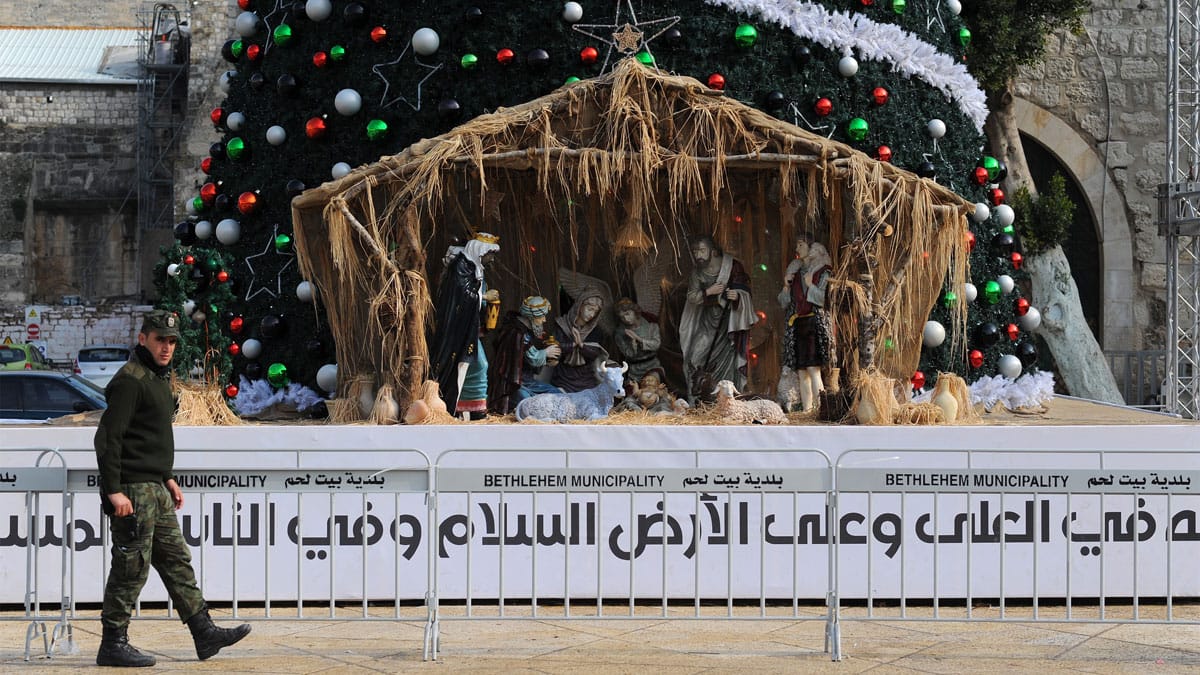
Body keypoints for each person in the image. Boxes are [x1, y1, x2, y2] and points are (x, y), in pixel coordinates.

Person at [93, 310, 250, 667]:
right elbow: (108, 439)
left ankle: (204, 632)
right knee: (131, 567)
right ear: (142, 339)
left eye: (172, 341)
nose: (166, 347)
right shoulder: (130, 380)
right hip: (133, 491)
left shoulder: (156, 379)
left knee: (177, 560)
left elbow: (149, 437)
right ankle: (113, 643)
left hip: (155, 488)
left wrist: (166, 476)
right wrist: (114, 490)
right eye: (159, 340)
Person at [430, 233, 501, 419]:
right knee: (465, 366)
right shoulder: (461, 266)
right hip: (457, 330)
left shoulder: (473, 267)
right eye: (490, 254)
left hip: (468, 328)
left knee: (476, 366)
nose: (492, 259)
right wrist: (483, 297)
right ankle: (453, 408)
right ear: (480, 251)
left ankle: (472, 409)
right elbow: (460, 295)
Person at [678, 234, 755, 404]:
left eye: (701, 250)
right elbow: (692, 296)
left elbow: (745, 290)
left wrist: (737, 296)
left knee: (730, 361)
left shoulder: (733, 267)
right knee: (695, 358)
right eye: (695, 251)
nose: (698, 255)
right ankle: (695, 401)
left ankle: (727, 401)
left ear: (713, 251)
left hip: (729, 325)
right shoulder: (697, 273)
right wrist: (708, 292)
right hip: (707, 323)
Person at [778, 235, 834, 412]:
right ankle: (807, 410)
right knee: (802, 371)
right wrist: (786, 286)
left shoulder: (822, 272)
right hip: (798, 324)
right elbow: (783, 302)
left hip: (814, 324)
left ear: (811, 248)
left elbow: (823, 299)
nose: (797, 249)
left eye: (801, 245)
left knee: (813, 369)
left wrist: (810, 285)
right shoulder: (795, 273)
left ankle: (820, 409)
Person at [488, 295, 563, 414]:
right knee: (528, 403)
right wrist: (546, 352)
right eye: (541, 316)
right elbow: (532, 358)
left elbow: (526, 358)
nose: (544, 320)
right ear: (531, 317)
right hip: (512, 384)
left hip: (527, 382)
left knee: (557, 395)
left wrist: (547, 361)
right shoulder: (517, 333)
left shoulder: (524, 331)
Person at [549, 287, 610, 392]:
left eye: (595, 312)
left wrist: (581, 345)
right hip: (564, 376)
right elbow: (555, 349)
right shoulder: (562, 325)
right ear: (580, 306)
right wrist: (573, 345)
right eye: (590, 309)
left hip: (586, 378)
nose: (592, 315)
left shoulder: (595, 331)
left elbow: (595, 354)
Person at [613, 297, 662, 385]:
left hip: (652, 366)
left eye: (627, 314)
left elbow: (656, 345)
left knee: (651, 386)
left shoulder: (651, 326)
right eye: (622, 317)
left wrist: (639, 339)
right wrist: (632, 345)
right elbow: (628, 354)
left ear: (635, 311)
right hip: (634, 370)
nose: (626, 319)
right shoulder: (620, 333)